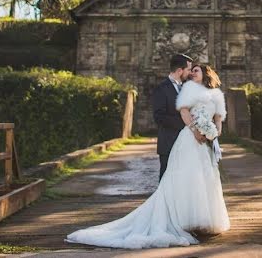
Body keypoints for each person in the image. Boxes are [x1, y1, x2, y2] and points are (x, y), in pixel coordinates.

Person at [65, 63, 230, 249]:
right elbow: (184, 112)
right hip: (189, 140)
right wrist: (195, 131)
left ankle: (204, 221)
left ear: (206, 74)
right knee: (185, 177)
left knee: (205, 177)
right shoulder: (188, 90)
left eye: (196, 70)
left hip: (206, 143)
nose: (192, 73)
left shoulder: (217, 95)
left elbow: (218, 119)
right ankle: (184, 220)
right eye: (191, 70)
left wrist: (214, 133)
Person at [152, 53, 192, 181]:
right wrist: (186, 123)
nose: (190, 73)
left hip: (187, 144)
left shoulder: (188, 87)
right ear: (180, 71)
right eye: (188, 69)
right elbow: (159, 117)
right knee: (166, 180)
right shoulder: (161, 89)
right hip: (169, 143)